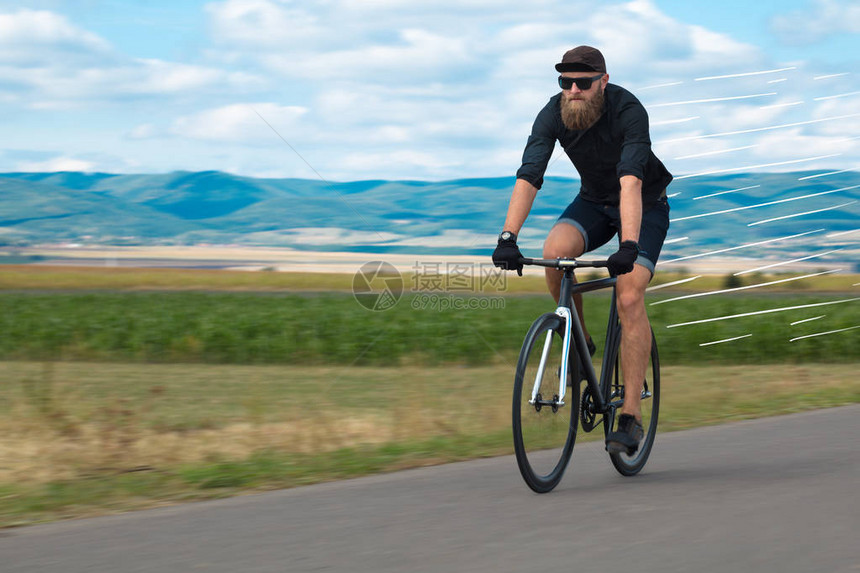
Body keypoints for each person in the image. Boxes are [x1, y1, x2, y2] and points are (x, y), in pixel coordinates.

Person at [492, 45, 672, 455]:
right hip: (592, 203)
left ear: (603, 83)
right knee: (554, 256)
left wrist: (628, 245)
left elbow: (631, 181)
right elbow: (529, 174)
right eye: (565, 82)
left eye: (583, 83)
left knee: (628, 294)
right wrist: (507, 237)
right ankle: (582, 342)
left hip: (643, 205)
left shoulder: (628, 111)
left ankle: (629, 415)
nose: (573, 89)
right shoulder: (554, 112)